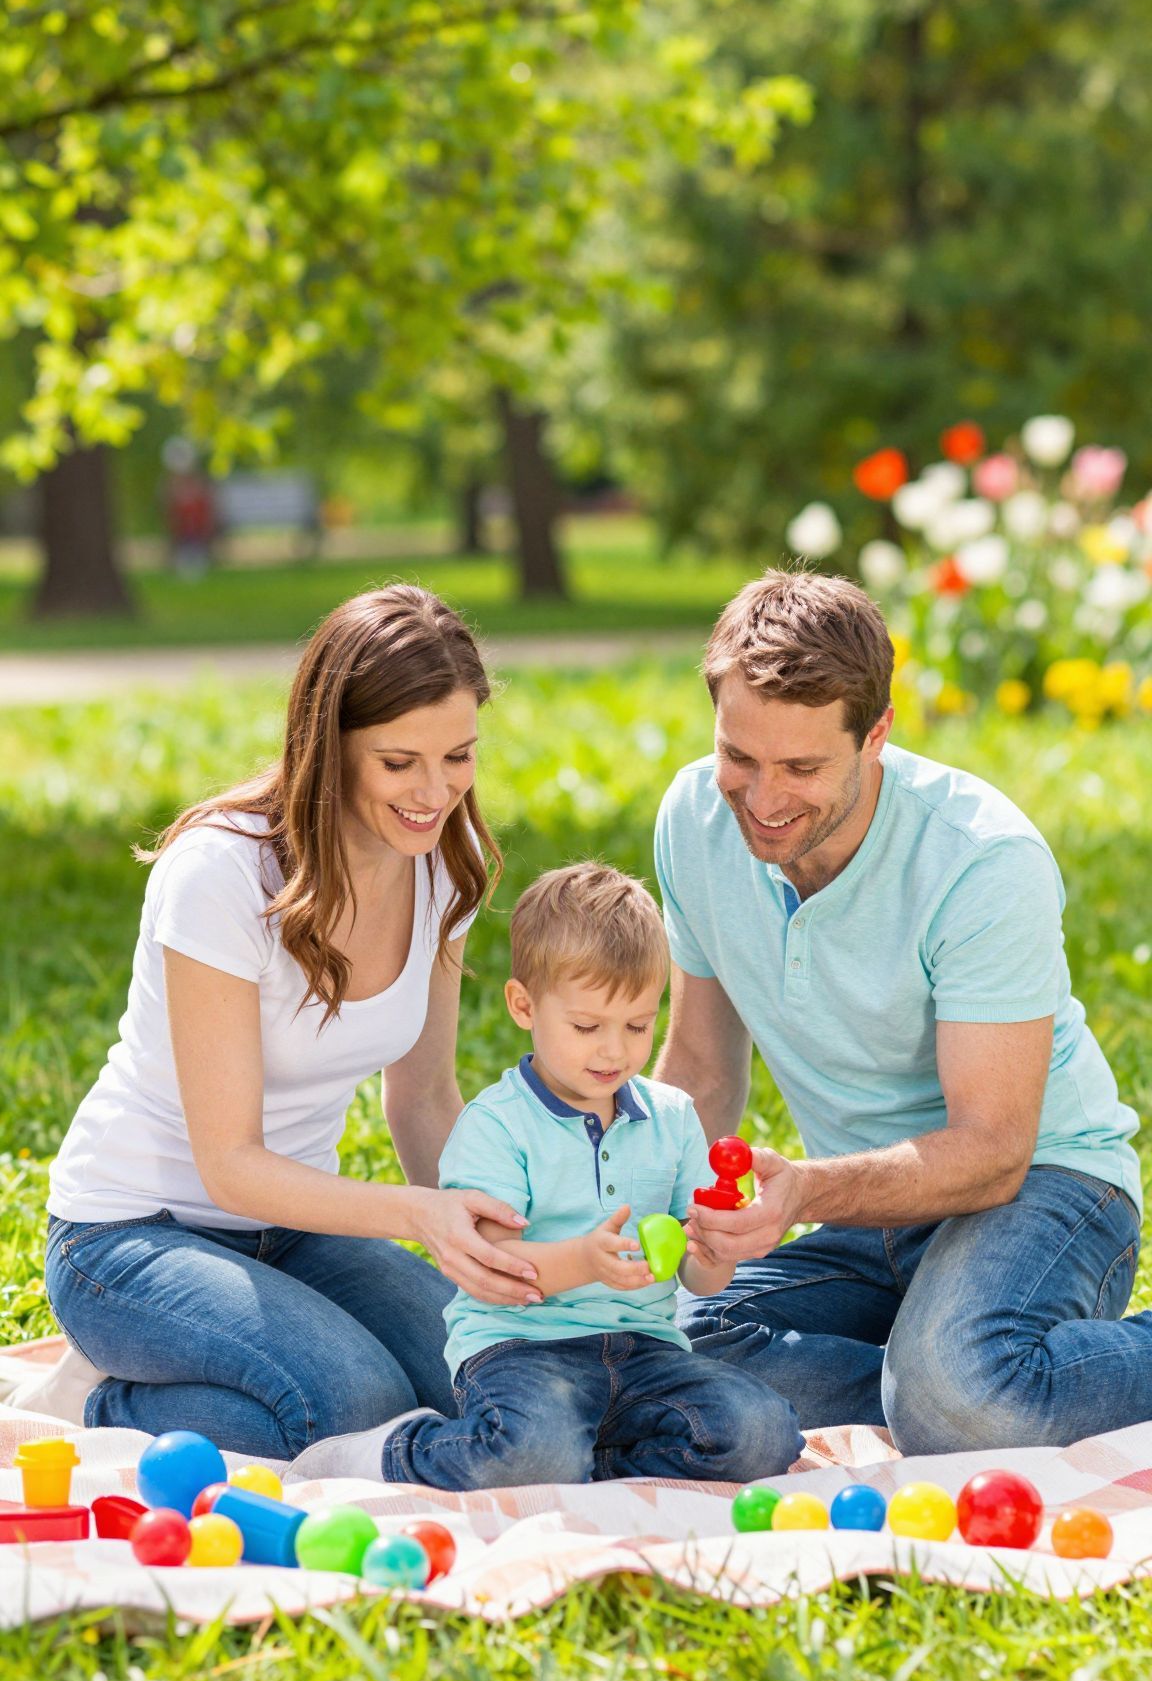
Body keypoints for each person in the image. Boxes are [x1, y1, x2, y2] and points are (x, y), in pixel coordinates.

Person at [34, 587, 543, 1457]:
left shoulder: (440, 869)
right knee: (353, 1402)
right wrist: (420, 1216)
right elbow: (228, 1164)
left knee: (495, 1378)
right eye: (399, 762)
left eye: (458, 756)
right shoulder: (222, 874)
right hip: (131, 1237)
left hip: (300, 1230)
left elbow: (423, 1097)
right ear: (329, 747)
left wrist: (498, 1237)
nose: (435, 792)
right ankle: (99, 1403)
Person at [654, 567, 1148, 1456]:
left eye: (802, 768)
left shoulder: (981, 861)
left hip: (1045, 1186)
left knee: (961, 1400)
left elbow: (994, 1151)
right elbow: (700, 1068)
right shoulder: (694, 819)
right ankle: (947, 1369)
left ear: (876, 733)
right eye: (740, 758)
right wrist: (620, 1210)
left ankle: (953, 1379)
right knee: (662, 1355)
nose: (762, 801)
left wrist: (806, 1191)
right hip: (867, 1214)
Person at [287, 864, 802, 1487]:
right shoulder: (497, 1125)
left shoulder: (672, 1117)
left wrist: (717, 1245)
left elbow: (700, 1277)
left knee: (761, 1432)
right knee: (532, 1448)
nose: (614, 1051)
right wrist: (586, 1260)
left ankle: (578, 1462)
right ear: (524, 1005)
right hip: (523, 1350)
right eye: (587, 1027)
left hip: (647, 1351)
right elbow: (494, 1265)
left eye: (638, 1025)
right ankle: (392, 1453)